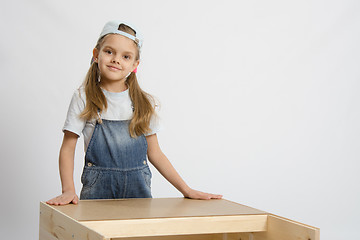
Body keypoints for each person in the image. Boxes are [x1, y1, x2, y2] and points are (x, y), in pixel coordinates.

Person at [47, 21, 222, 205]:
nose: (116, 59)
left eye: (126, 56)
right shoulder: (84, 97)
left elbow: (155, 153)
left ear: (135, 65)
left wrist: (187, 190)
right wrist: (68, 191)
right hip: (96, 195)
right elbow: (68, 147)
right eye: (109, 52)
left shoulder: (143, 103)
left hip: (138, 196)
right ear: (96, 55)